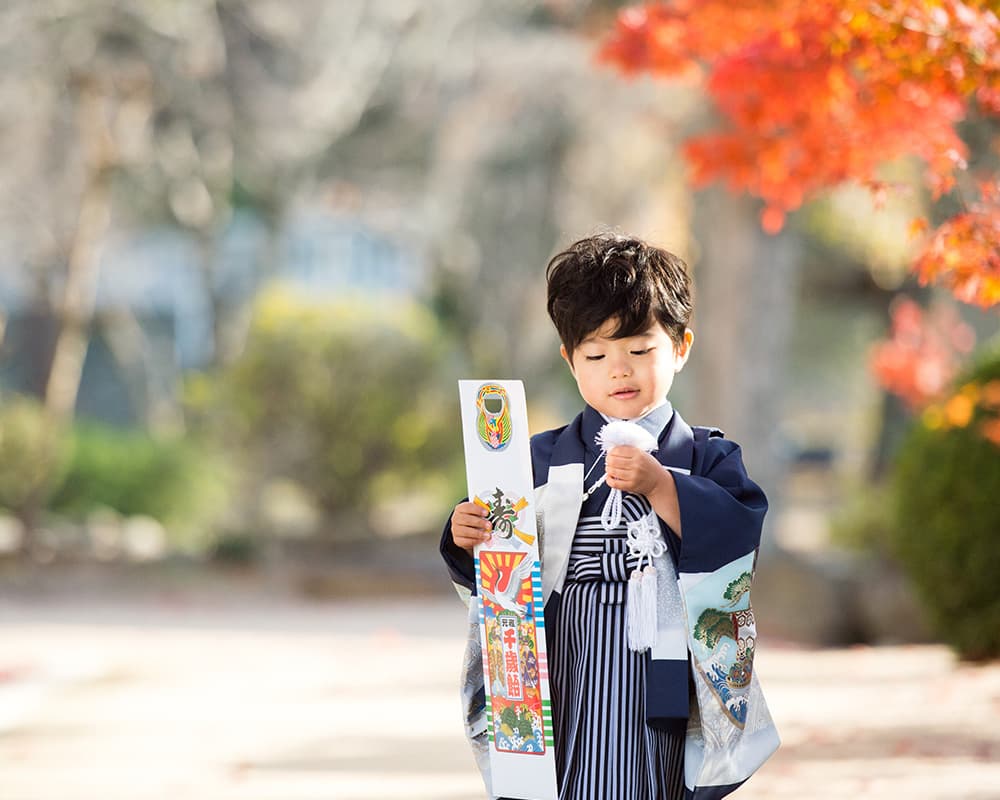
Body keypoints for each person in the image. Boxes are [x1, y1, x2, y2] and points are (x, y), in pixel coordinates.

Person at [440, 232, 773, 800]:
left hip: (655, 656)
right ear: (570, 361)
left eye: (640, 351)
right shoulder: (534, 461)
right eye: (596, 355)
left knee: (647, 771)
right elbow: (500, 573)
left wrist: (664, 484)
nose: (619, 371)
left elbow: (736, 539)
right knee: (562, 771)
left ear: (681, 346)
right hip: (562, 656)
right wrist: (463, 537)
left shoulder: (706, 457)